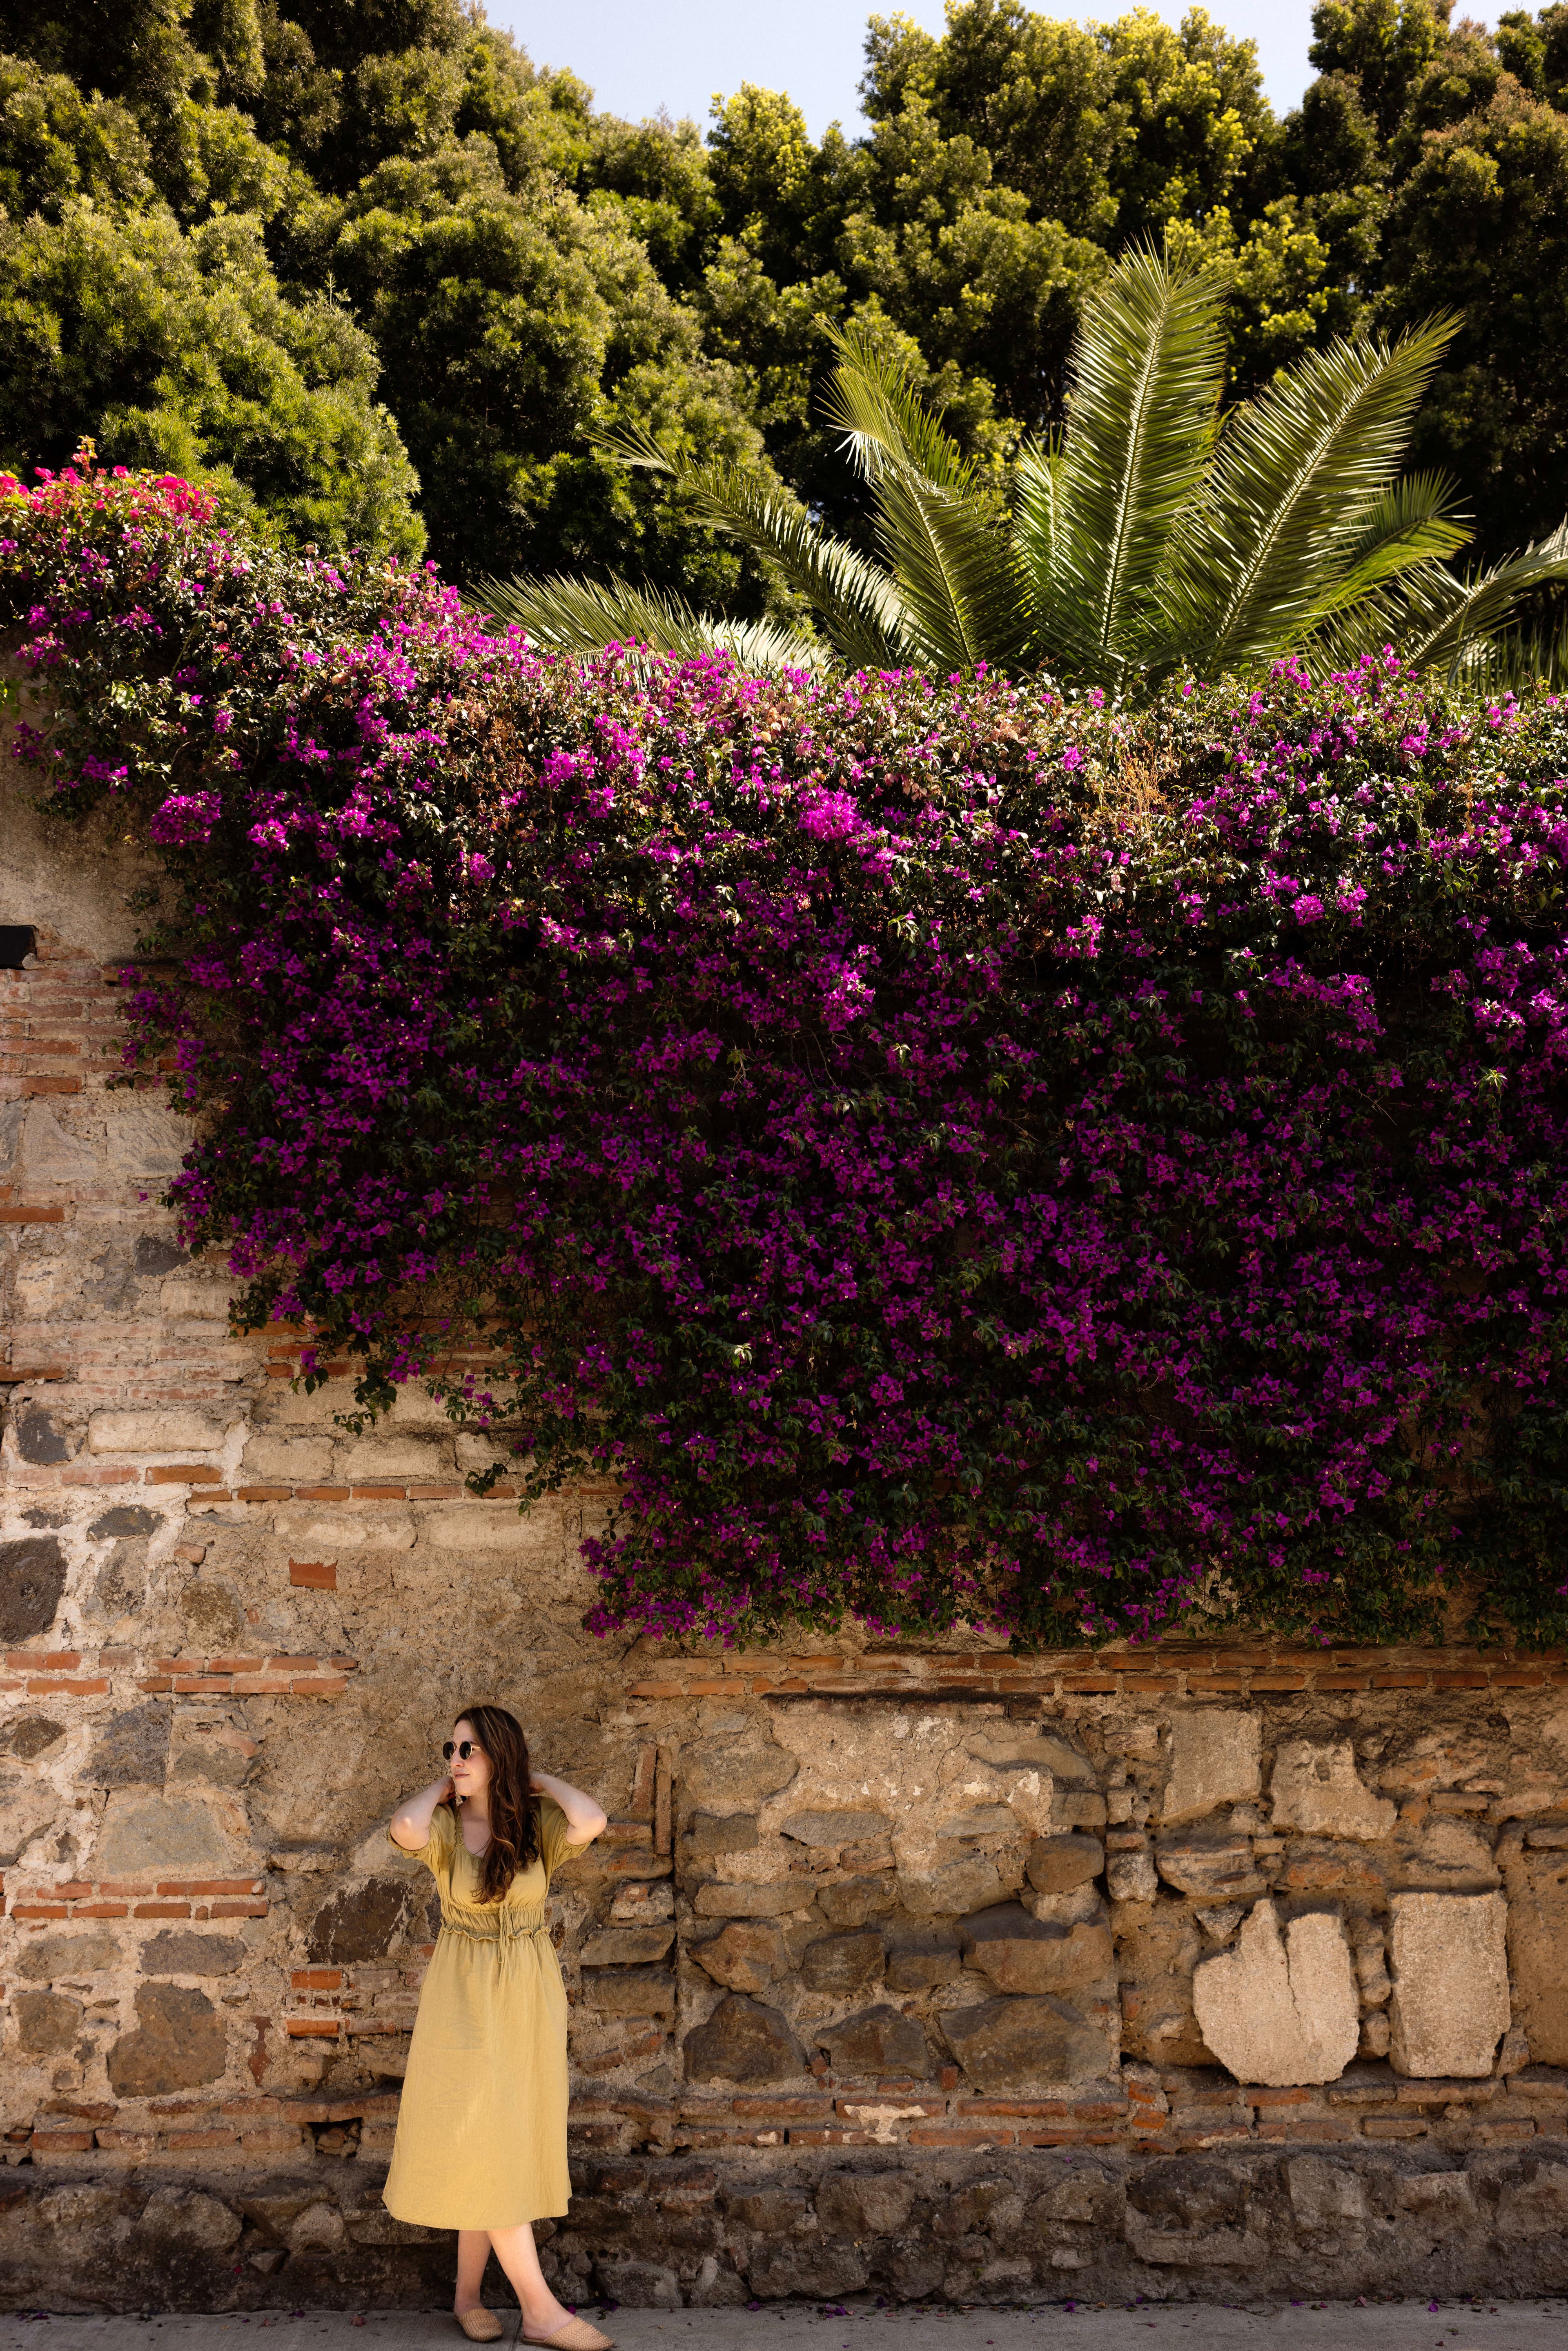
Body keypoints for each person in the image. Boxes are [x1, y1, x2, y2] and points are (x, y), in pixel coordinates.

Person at [384, 1702, 611, 2346]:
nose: (454, 1760)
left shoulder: (535, 1824)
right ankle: (540, 2311)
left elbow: (592, 1818)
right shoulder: (446, 1829)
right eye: (449, 1749)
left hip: (527, 1994)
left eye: (469, 1750)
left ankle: (465, 2298)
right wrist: (448, 1784)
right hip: (462, 1997)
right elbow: (403, 1826)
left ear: (501, 1756)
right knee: (483, 2140)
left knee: (500, 2139)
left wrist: (534, 1781)